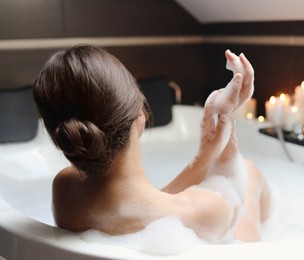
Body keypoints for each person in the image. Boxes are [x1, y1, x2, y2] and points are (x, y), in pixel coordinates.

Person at [33, 45, 270, 243]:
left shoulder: (65, 188)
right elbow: (231, 192)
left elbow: (143, 205)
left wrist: (204, 157)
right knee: (249, 172)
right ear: (140, 114)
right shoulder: (200, 211)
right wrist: (228, 116)